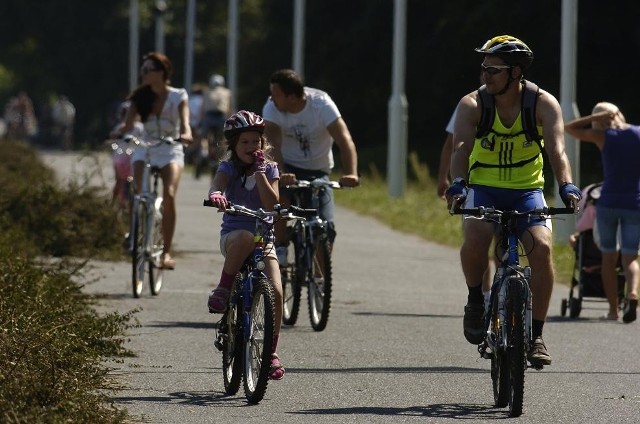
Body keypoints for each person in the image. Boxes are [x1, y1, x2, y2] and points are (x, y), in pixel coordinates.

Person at [446, 35, 581, 366]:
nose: (485, 75)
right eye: (484, 68)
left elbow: (557, 150)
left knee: (543, 249)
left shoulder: (542, 103)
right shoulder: (472, 104)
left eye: (494, 69)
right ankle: (476, 299)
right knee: (476, 238)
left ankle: (536, 336)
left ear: (516, 72)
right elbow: (461, 148)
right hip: (484, 187)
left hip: (527, 191)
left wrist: (567, 185)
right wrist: (458, 184)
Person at [205, 110, 285, 380]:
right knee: (244, 237)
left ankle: (270, 353)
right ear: (233, 146)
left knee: (275, 290)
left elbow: (271, 203)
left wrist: (261, 172)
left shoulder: (270, 169)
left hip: (265, 240)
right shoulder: (228, 167)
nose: (252, 147)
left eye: (256, 142)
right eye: (245, 143)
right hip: (234, 237)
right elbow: (217, 184)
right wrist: (216, 194)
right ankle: (224, 287)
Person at [262, 68, 359, 263]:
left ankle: (319, 281)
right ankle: (280, 248)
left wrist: (351, 173)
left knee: (326, 226)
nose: (272, 99)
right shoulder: (272, 108)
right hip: (287, 166)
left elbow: (344, 140)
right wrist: (280, 173)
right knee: (280, 202)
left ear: (291, 97)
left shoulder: (321, 104)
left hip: (318, 171)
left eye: (276, 95)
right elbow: (272, 144)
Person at [113, 51, 193, 270]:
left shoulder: (178, 96)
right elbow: (128, 125)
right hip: (145, 147)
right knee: (137, 191)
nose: (144, 74)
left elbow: (185, 122)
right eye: (143, 70)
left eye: (148, 70)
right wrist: (119, 132)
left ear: (161, 72)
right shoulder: (140, 97)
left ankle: (165, 253)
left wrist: (186, 134)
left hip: (170, 149)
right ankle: (133, 232)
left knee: (168, 195)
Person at [565, 102, 640, 323]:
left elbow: (568, 128)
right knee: (630, 257)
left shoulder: (603, 137)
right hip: (635, 204)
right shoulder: (637, 133)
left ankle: (613, 311)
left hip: (608, 203)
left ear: (601, 120)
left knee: (609, 258)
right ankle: (633, 293)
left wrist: (592, 118)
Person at [200, 74, 232, 175]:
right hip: (221, 117)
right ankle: (219, 160)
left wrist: (201, 122)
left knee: (204, 138)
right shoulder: (227, 92)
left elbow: (203, 108)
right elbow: (229, 108)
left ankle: (204, 154)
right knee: (222, 140)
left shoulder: (206, 92)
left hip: (209, 117)